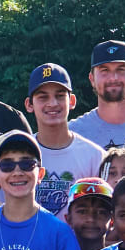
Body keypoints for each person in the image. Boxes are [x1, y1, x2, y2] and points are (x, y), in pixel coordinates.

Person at [26, 63, 105, 213]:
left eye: (60, 96)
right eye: (43, 97)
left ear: (72, 101)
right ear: (29, 104)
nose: (53, 103)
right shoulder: (19, 153)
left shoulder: (95, 156)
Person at [69, 40, 125, 148]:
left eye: (121, 69)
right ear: (92, 78)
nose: (113, 78)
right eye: (104, 70)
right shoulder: (73, 132)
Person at [63, 177, 114, 250]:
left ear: (112, 221)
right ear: (69, 219)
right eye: (82, 212)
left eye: (101, 212)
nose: (91, 219)